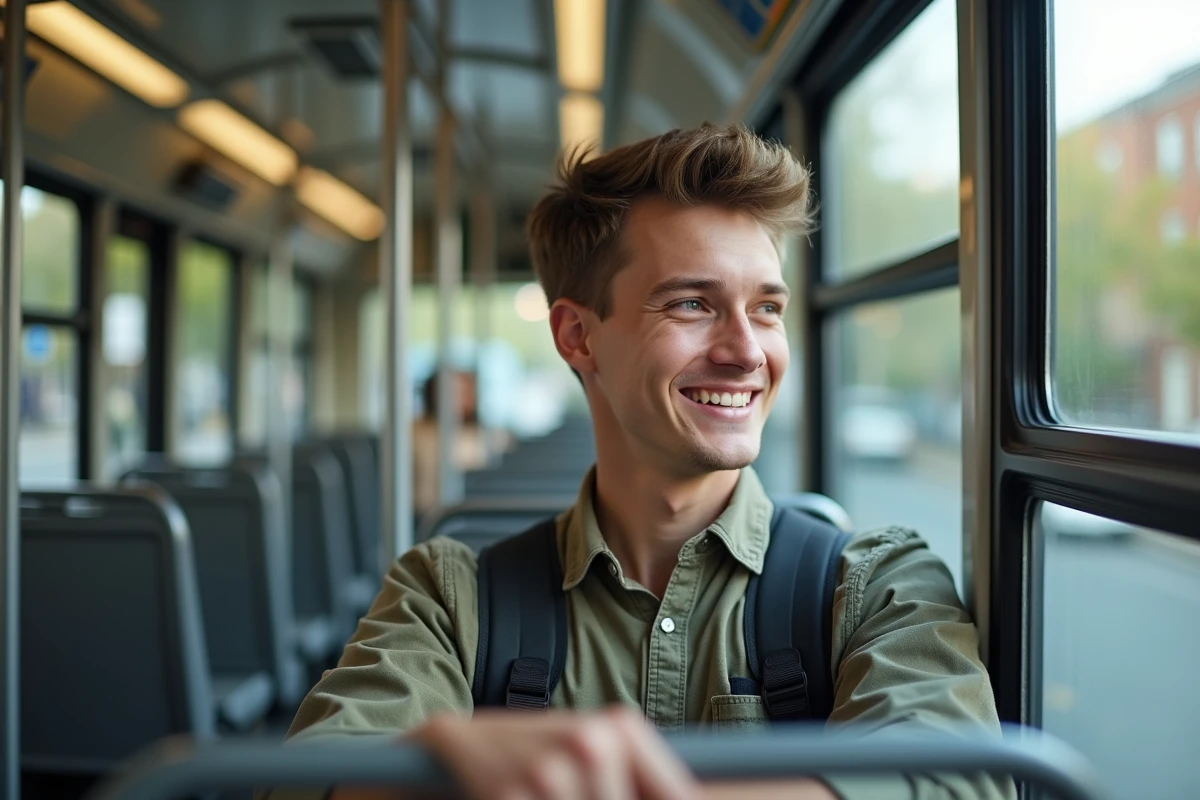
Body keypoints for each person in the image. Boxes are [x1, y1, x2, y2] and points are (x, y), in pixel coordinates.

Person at [270, 124, 1011, 799]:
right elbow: (309, 783)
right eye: (692, 304)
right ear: (577, 337)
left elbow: (958, 780)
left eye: (767, 308)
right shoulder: (446, 601)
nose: (747, 351)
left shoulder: (879, 585)